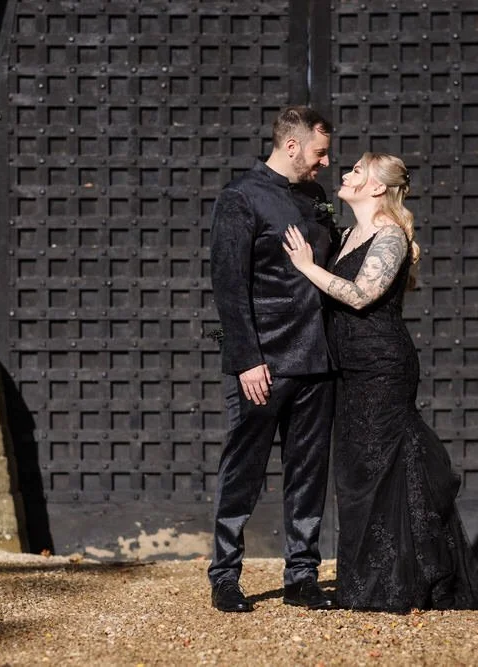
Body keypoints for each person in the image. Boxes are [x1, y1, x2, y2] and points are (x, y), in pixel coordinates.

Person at [283, 152, 478, 612]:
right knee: (357, 472)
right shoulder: (347, 234)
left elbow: (363, 296)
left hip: (383, 366)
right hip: (350, 368)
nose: (344, 175)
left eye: (356, 172)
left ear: (378, 187)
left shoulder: (390, 237)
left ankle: (402, 581)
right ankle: (370, 580)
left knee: (384, 468)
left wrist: (308, 268)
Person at [207, 106, 337, 613]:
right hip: (263, 364)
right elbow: (229, 285)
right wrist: (246, 359)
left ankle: (301, 576)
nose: (325, 163)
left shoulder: (316, 197)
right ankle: (225, 575)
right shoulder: (241, 198)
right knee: (244, 470)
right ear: (291, 146)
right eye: (319, 152)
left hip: (316, 361)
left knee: (308, 472)